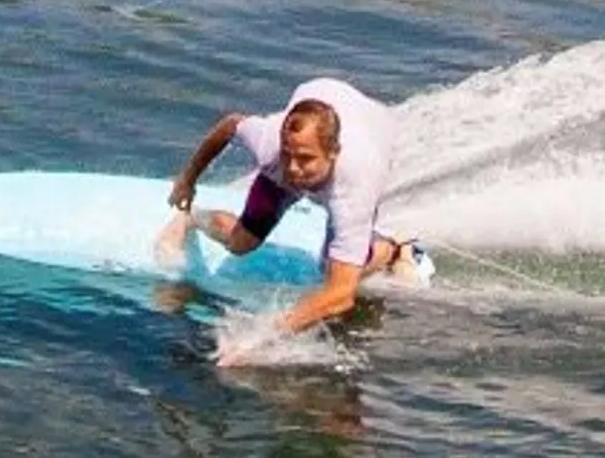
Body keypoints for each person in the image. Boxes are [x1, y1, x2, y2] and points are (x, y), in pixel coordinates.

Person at [160, 78, 432, 345]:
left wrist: (261, 336)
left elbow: (340, 295)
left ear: (334, 153)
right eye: (288, 155)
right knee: (239, 243)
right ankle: (192, 217)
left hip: (375, 127)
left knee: (330, 272)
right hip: (318, 96)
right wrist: (187, 179)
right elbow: (231, 124)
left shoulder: (355, 185)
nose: (292, 169)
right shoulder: (270, 145)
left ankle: (394, 248)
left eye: (305, 159)